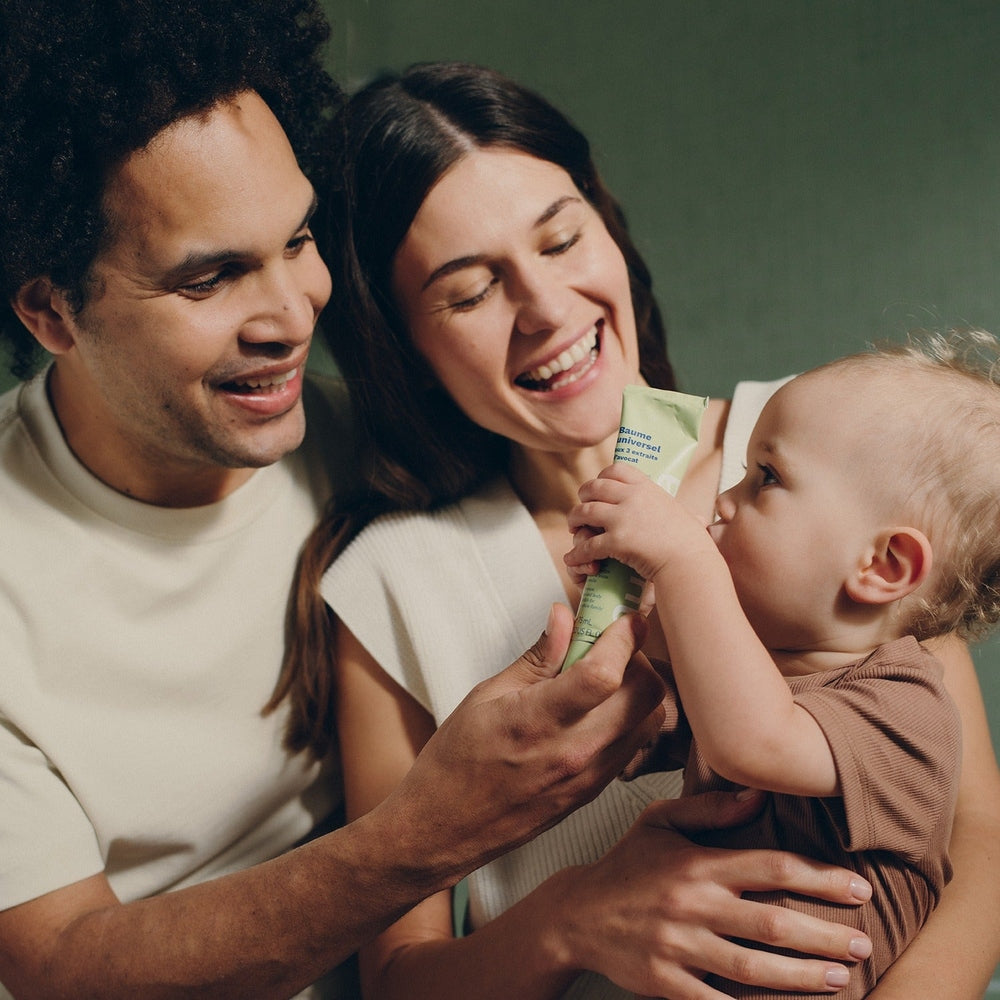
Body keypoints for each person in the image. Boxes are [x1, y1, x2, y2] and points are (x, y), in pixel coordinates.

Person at [272, 61, 1000, 999]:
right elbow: (399, 983)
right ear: (400, 345)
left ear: (608, 227)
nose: (547, 309)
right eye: (471, 290)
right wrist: (569, 919)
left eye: (562, 238)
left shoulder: (844, 460)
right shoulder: (393, 581)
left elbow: (974, 846)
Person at [0, 6, 680, 998]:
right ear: (53, 311)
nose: (291, 315)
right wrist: (435, 827)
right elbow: (59, 966)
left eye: (298, 238)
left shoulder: (395, 447)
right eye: (211, 278)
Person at [565, 331, 1000, 997]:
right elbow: (624, 733)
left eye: (765, 478)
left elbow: (754, 742)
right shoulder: (765, 679)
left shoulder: (908, 712)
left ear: (883, 566)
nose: (723, 500)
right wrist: (615, 627)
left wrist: (683, 561)